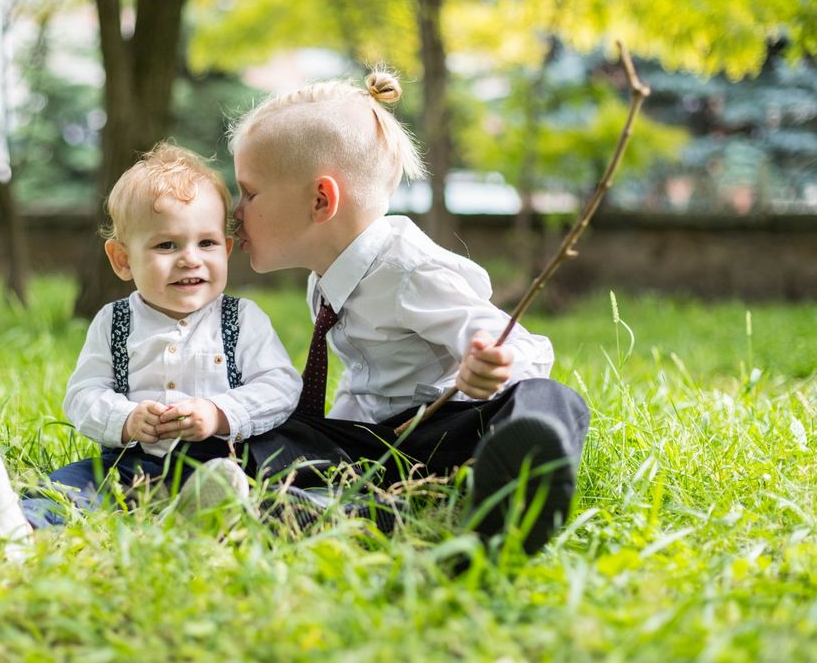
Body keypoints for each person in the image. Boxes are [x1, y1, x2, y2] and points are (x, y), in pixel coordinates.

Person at [228, 70, 590, 554]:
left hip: (453, 435)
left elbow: (518, 345)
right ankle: (346, 506)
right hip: (388, 447)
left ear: (320, 201)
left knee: (549, 398)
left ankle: (517, 478)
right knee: (257, 425)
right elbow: (363, 385)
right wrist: (321, 441)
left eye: (249, 193)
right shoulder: (326, 280)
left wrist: (489, 365)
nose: (235, 210)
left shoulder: (406, 269)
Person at [0, 143, 302, 554]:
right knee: (72, 484)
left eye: (206, 243)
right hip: (128, 461)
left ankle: (201, 520)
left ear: (226, 247)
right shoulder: (114, 322)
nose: (190, 259)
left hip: (216, 461)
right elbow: (83, 395)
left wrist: (219, 413)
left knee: (225, 481)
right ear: (122, 260)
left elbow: (280, 386)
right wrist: (127, 418)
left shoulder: (242, 319)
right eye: (167, 246)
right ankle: (11, 528)